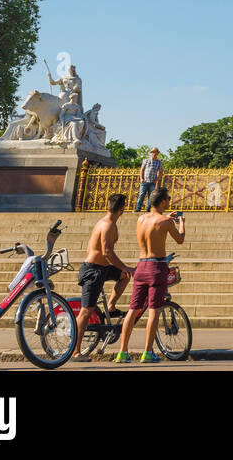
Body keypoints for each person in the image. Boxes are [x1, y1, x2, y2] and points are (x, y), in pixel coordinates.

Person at [114, 187, 186, 363]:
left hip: (141, 266)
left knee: (133, 309)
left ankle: (122, 352)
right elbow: (180, 239)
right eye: (168, 199)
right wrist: (181, 222)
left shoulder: (141, 219)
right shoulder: (167, 222)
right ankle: (147, 351)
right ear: (162, 202)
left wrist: (166, 218)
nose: (169, 201)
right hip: (157, 267)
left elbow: (155, 226)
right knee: (154, 310)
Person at [73, 193, 135, 361]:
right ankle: (76, 352)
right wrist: (124, 266)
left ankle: (111, 306)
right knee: (86, 311)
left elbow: (107, 256)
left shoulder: (108, 223)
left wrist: (123, 269)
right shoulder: (107, 226)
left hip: (103, 268)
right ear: (122, 208)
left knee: (124, 276)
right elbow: (107, 252)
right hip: (93, 270)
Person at [136, 148, 163, 212]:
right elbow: (142, 170)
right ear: (151, 153)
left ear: (157, 153)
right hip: (144, 181)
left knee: (150, 197)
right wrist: (141, 178)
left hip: (152, 182)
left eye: (155, 152)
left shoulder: (159, 162)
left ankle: (148, 209)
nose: (154, 153)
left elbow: (161, 172)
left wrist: (157, 180)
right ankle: (138, 209)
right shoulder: (146, 160)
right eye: (153, 152)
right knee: (141, 195)